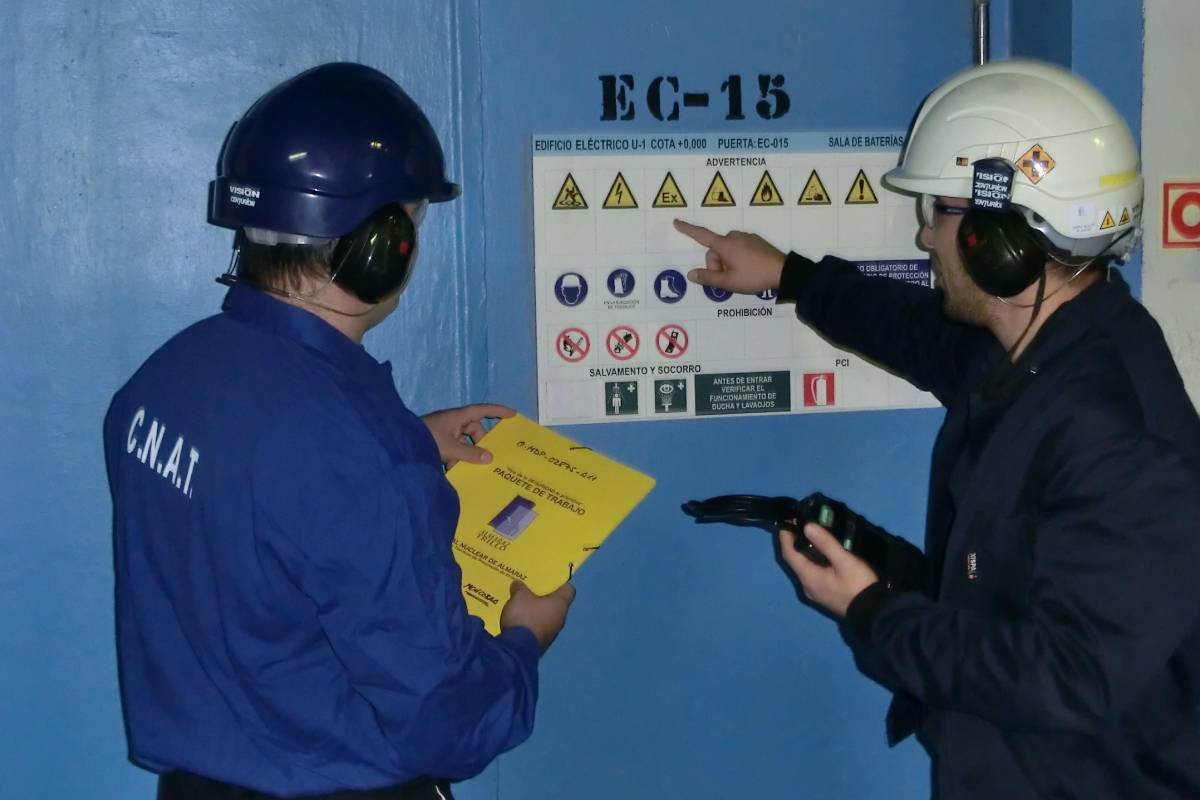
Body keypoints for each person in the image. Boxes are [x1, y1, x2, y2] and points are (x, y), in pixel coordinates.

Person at [677, 59, 1200, 798]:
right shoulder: (1041, 351)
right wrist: (790, 277)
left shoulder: (1113, 432)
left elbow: (1067, 678)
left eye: (938, 213)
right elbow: (921, 337)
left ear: (1000, 238)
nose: (925, 239)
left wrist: (872, 612)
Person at [103, 63, 575, 800]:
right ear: (382, 245)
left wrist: (408, 440)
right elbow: (445, 723)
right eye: (413, 223)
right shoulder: (358, 458)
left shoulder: (161, 383)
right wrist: (526, 636)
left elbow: (261, 501)